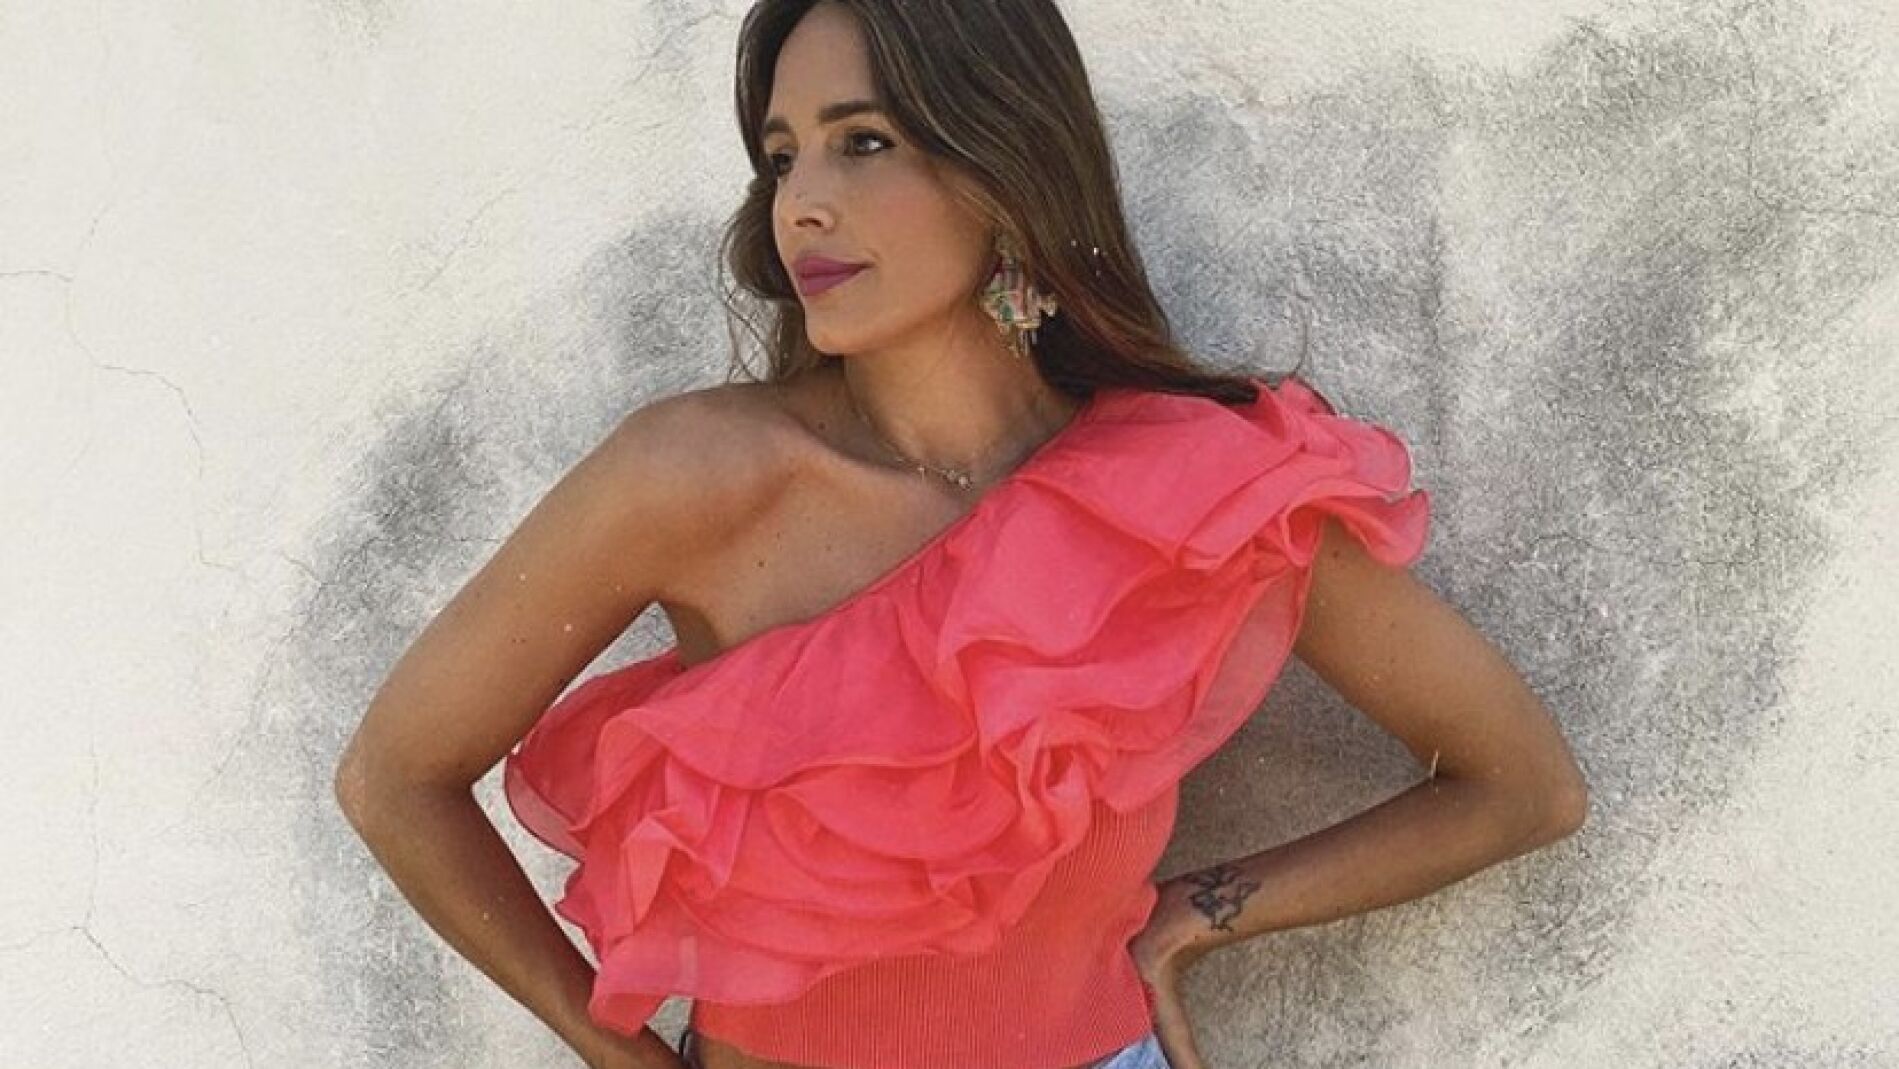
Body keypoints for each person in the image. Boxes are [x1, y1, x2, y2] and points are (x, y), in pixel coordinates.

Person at [333, 2, 1590, 1068]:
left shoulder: (1188, 492)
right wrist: (618, 1051)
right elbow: (396, 777)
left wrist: (1193, 915)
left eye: (862, 142)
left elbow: (1521, 785)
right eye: (781, 158)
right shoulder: (692, 476)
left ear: (1004, 167)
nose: (802, 204)